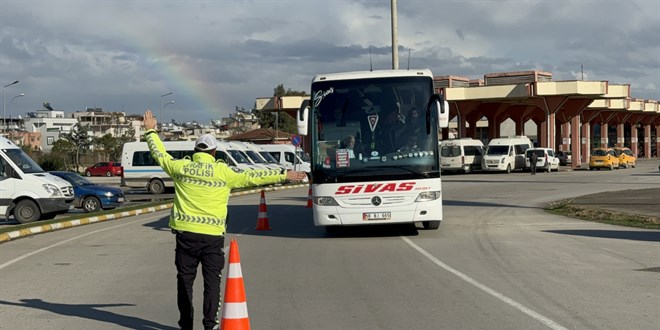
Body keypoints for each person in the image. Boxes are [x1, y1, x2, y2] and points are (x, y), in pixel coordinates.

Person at [142, 109, 306, 330]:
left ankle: (186, 326)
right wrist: (283, 174)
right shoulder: (224, 173)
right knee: (212, 283)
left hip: (185, 237)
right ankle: (210, 326)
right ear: (214, 152)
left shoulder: (180, 168)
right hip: (212, 239)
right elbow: (252, 177)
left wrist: (150, 131)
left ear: (195, 151)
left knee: (184, 282)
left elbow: (159, 154)